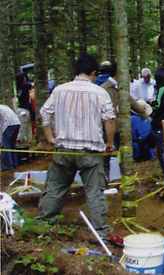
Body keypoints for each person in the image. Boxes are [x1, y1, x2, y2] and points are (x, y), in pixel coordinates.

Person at [37, 54, 115, 237]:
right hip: (90, 152)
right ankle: (100, 231)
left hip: (64, 149)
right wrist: (109, 143)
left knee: (55, 188)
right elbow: (109, 119)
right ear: (94, 73)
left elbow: (44, 113)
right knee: (94, 192)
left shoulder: (59, 90)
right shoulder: (99, 92)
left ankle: (43, 225)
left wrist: (50, 137)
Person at [0, 105, 21, 171]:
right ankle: (14, 163)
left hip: (8, 124)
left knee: (5, 145)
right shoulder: (3, 106)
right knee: (12, 145)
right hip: (16, 123)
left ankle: (7, 166)